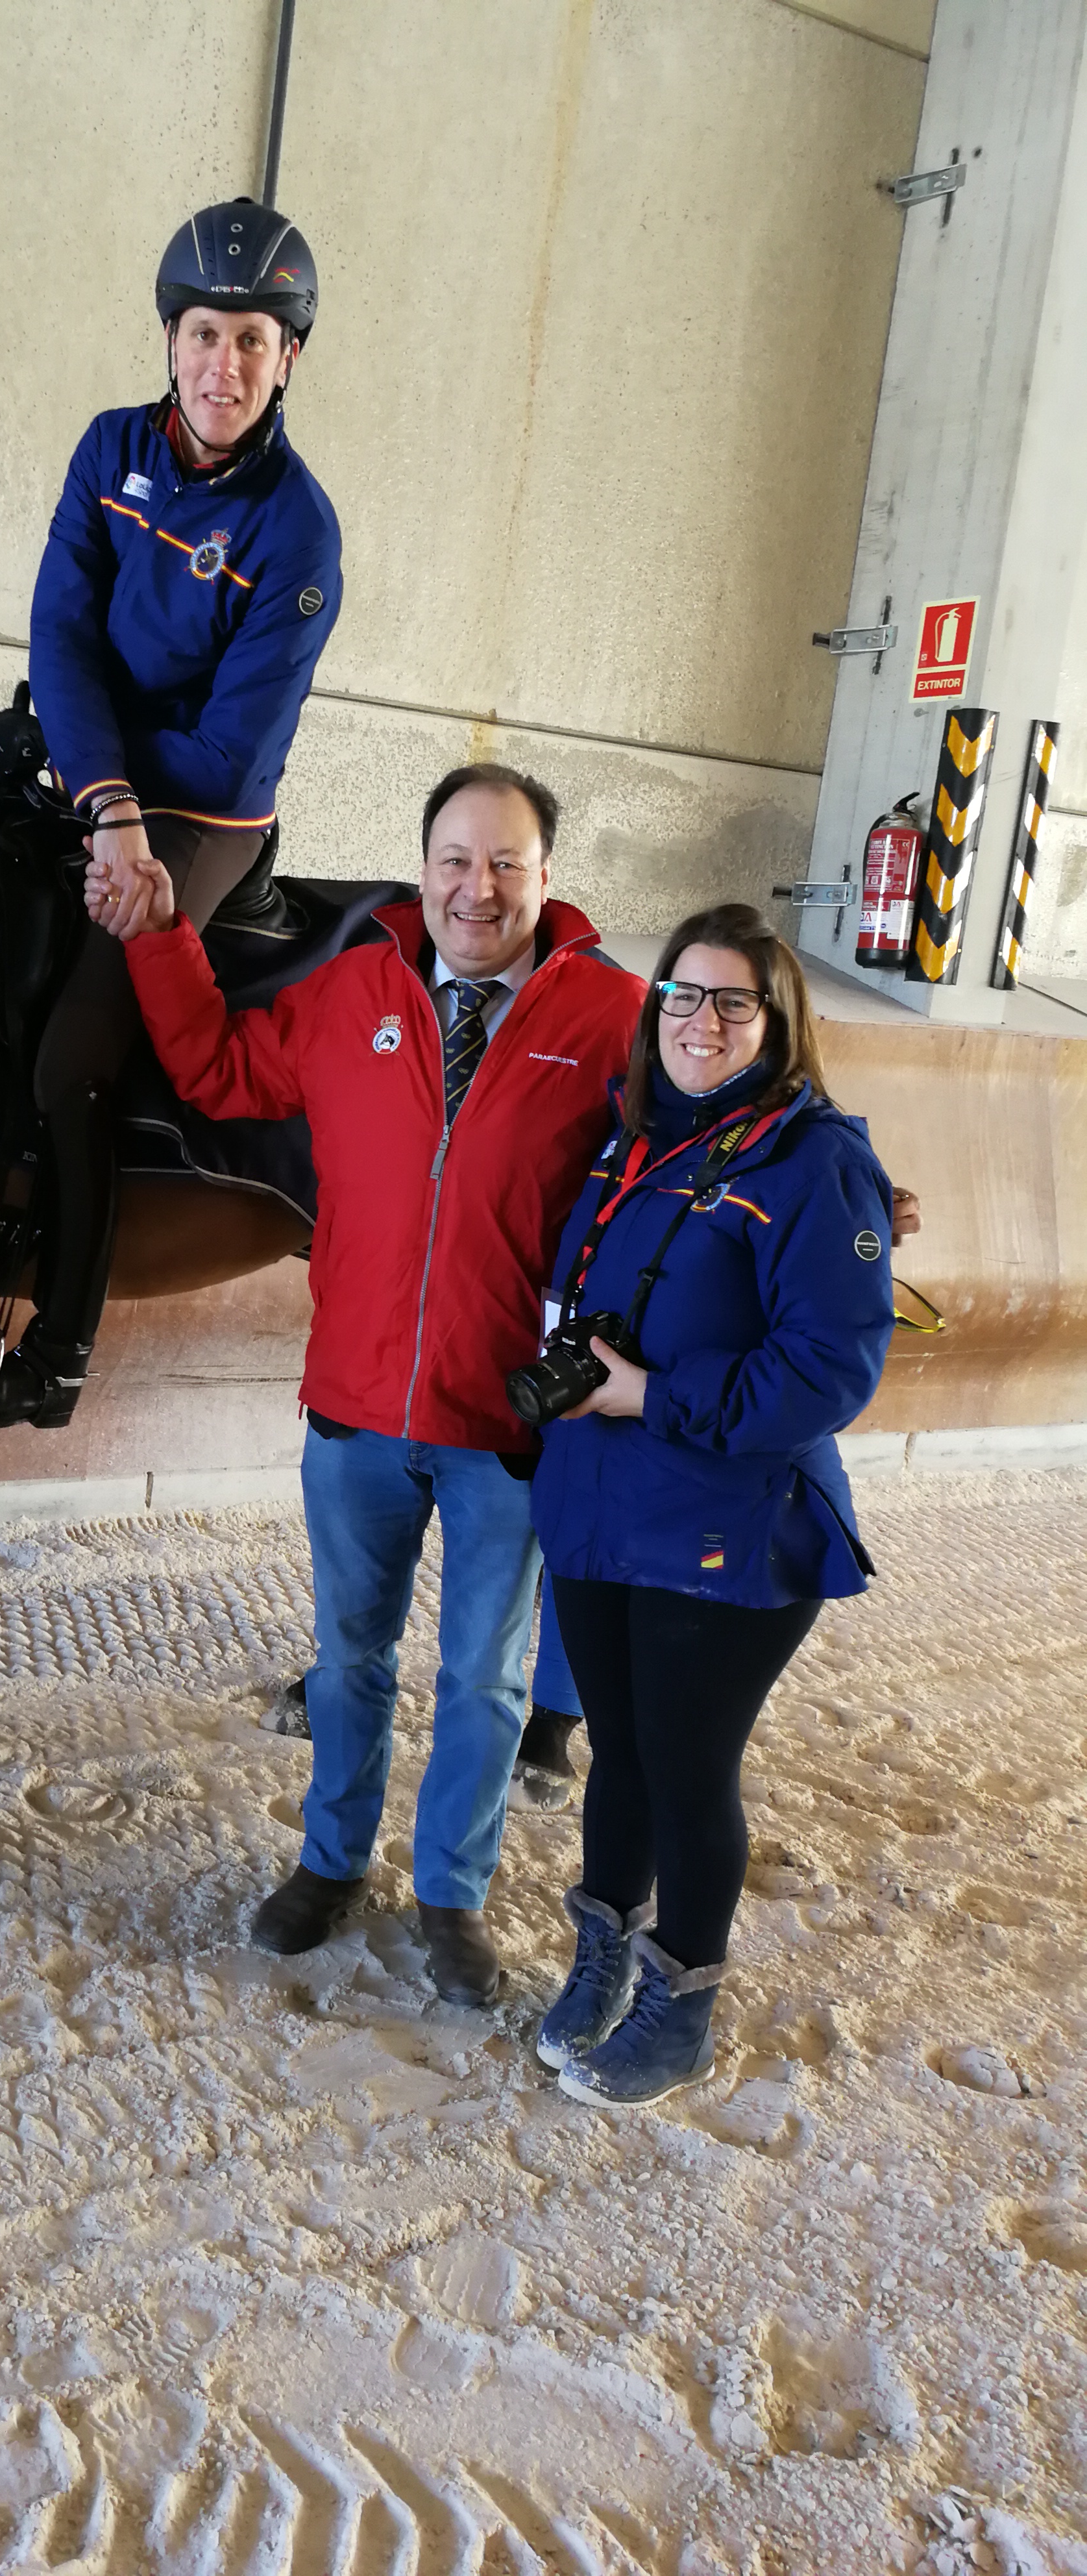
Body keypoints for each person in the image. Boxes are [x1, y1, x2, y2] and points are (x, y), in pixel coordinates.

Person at [86, 761, 646, 2005]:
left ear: (548, 878)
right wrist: (167, 932)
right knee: (350, 1659)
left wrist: (844, 1186)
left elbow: (724, 1115)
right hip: (353, 1412)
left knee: (486, 1677)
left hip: (507, 1425)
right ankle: (331, 1860)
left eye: (506, 862)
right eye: (456, 859)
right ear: (424, 868)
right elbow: (219, 1071)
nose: (477, 887)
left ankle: (452, 1894)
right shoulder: (355, 991)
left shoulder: (615, 1015)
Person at [0, 199, 343, 1437]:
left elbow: (226, 750)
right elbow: (62, 628)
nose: (226, 365)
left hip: (205, 816)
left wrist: (102, 782)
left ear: (289, 360)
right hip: (97, 776)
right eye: (206, 334)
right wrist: (92, 783)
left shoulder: (298, 530)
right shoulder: (110, 448)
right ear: (171, 341)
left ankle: (57, 1353)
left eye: (255, 342)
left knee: (72, 1059)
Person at [529, 903, 895, 2108]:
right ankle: (601, 1962)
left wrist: (650, 1392)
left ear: (777, 1023)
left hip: (724, 1530)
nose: (702, 1019)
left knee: (689, 1771)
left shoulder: (815, 1157)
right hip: (600, 1508)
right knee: (619, 1756)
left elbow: (828, 1373)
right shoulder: (629, 1141)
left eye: (735, 1001)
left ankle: (682, 2004)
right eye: (682, 994)